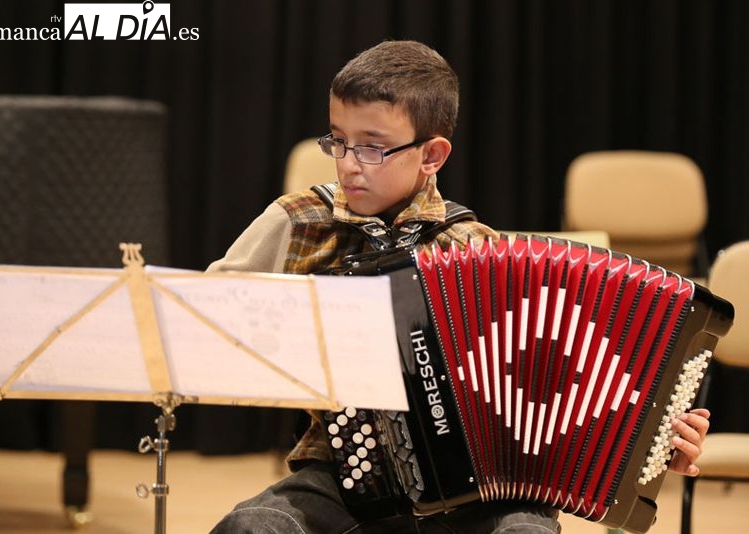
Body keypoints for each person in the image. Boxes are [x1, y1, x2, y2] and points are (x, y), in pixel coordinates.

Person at [207, 40, 710, 533]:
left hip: (483, 493)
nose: (349, 163)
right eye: (338, 140)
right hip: (345, 477)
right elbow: (208, 320)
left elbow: (571, 387)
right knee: (252, 526)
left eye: (372, 147)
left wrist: (658, 437)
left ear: (432, 154)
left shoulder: (477, 249)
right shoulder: (300, 222)